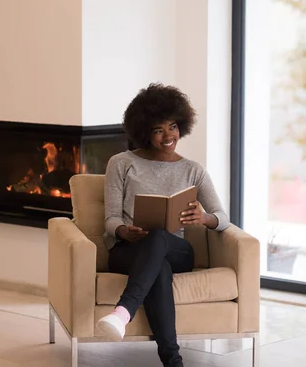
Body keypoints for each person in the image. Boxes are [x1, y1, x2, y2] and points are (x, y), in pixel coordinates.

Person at [95, 83, 230, 367]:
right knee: (158, 265)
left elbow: (222, 217)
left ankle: (123, 312)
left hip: (176, 250)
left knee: (159, 239)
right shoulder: (121, 163)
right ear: (145, 132)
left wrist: (204, 218)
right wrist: (123, 231)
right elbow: (110, 220)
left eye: (172, 127)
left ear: (182, 126)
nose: (168, 136)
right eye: (158, 130)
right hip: (127, 250)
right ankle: (173, 362)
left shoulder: (193, 170)